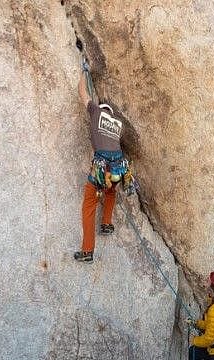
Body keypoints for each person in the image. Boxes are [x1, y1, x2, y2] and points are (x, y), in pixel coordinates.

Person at [74, 65, 130, 263]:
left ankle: (87, 251)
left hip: (101, 165)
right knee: (111, 191)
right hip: (119, 166)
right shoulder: (119, 124)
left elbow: (82, 92)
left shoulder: (96, 111)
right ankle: (106, 224)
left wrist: (84, 72)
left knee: (89, 204)